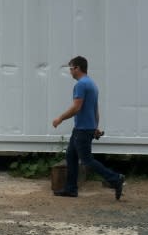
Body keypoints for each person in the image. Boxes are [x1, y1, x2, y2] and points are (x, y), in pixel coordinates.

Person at [51, 56, 125, 200]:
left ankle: (116, 179)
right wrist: (95, 127)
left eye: (71, 69)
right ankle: (71, 189)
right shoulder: (92, 84)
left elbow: (76, 108)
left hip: (82, 129)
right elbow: (95, 109)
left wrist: (59, 118)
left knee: (87, 160)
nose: (70, 72)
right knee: (71, 156)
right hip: (85, 128)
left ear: (77, 68)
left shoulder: (81, 85)